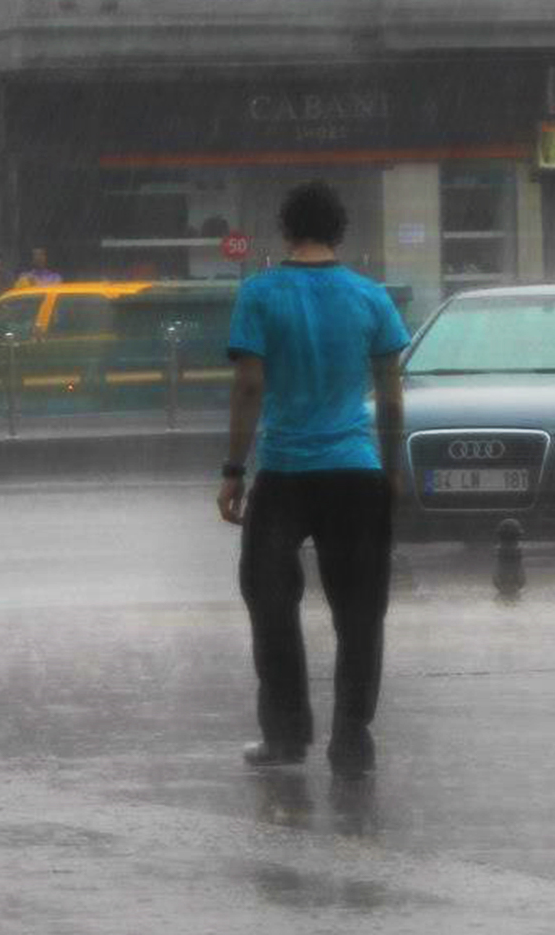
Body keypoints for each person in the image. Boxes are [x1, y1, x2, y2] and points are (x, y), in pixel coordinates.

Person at [219, 179, 411, 776]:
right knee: (359, 611)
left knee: (270, 601)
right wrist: (391, 466)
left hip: (284, 473)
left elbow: (250, 385)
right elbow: (390, 391)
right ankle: (351, 737)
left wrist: (233, 470)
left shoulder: (260, 294)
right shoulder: (370, 297)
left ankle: (286, 734)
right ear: (339, 232)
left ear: (286, 230)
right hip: (355, 472)